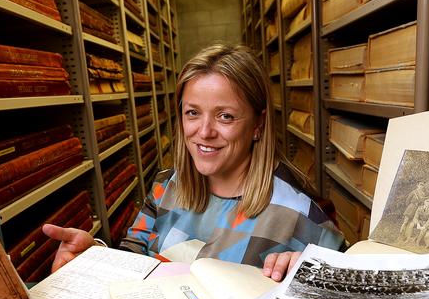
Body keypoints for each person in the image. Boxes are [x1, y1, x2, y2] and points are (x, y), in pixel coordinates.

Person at [42, 44, 343, 280]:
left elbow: (349, 292)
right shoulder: (165, 187)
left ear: (257, 125)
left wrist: (311, 276)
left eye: (226, 116)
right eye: (193, 113)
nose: (205, 132)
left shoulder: (302, 214)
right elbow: (133, 255)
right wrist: (94, 256)